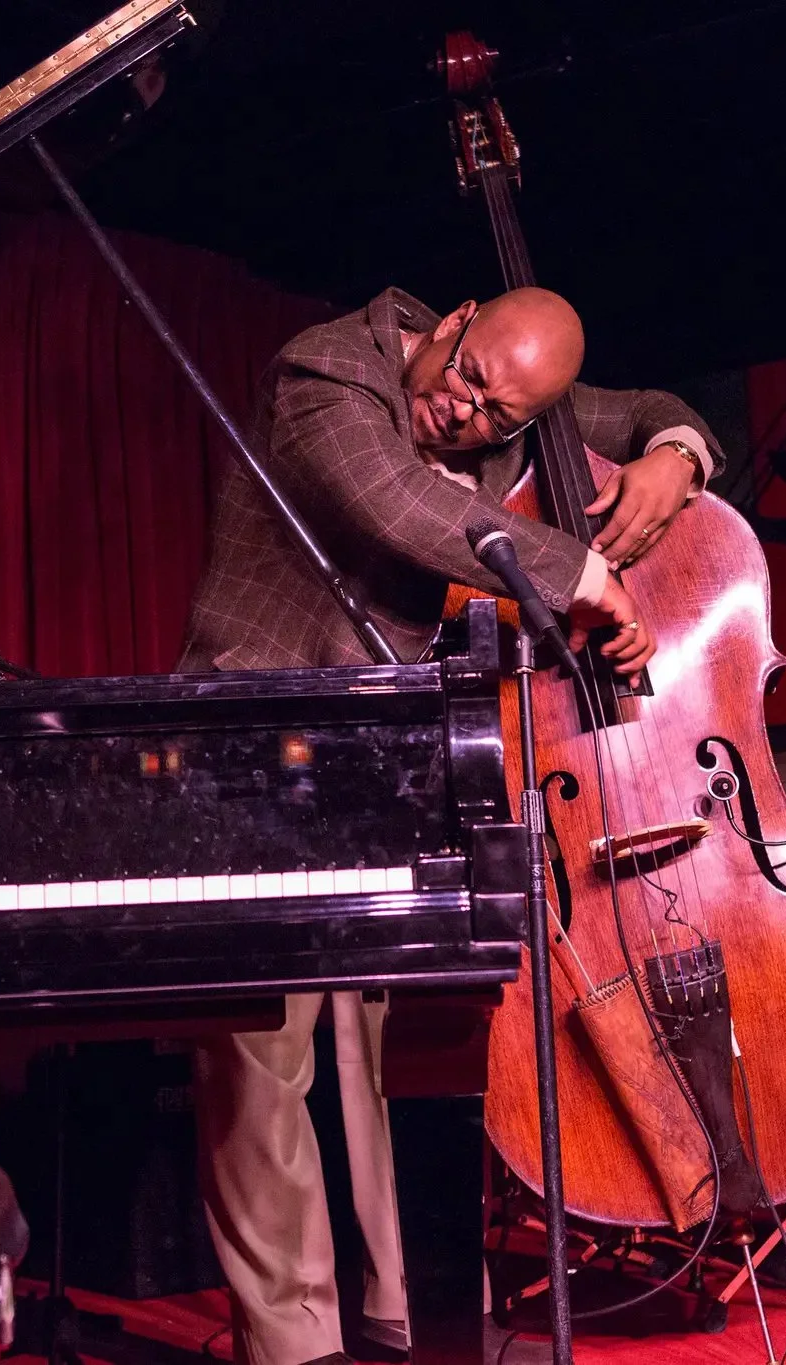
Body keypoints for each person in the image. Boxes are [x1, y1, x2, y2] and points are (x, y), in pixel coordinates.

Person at [180, 285, 719, 1365]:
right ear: (452, 322)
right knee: (261, 1057)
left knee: (405, 1052)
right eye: (464, 379)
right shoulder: (326, 372)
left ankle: (410, 1311)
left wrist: (676, 454)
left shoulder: (512, 398)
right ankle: (288, 1341)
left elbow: (650, 408)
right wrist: (582, 575)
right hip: (261, 731)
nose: (463, 415)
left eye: (495, 417)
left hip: (402, 747)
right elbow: (406, 510)